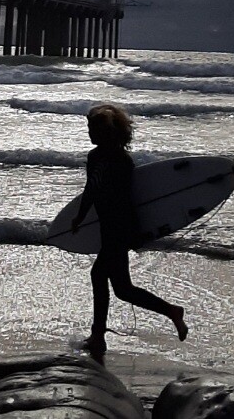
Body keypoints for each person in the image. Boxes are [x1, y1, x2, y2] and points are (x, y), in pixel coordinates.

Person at [70, 102, 188, 358]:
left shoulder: (122, 161)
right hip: (108, 227)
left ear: (108, 132)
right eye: (88, 127)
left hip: (119, 227)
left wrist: (135, 233)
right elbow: (91, 190)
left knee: (101, 277)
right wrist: (79, 216)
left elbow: (128, 199)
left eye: (93, 128)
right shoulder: (94, 157)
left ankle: (98, 337)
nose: (89, 133)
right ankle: (169, 312)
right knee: (121, 288)